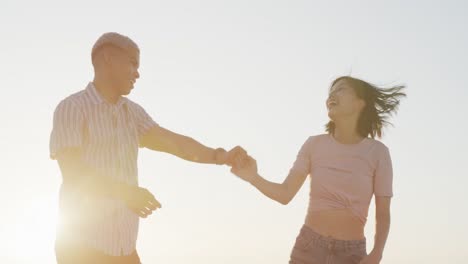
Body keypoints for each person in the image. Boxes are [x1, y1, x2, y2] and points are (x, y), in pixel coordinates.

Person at [49, 32, 247, 264]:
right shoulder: (72, 108)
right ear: (108, 58)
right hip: (81, 250)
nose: (137, 73)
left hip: (125, 252)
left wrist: (220, 156)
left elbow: (175, 143)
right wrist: (126, 193)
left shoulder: (133, 113)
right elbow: (74, 173)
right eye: (132, 63)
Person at [231, 76, 406, 264]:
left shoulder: (378, 153)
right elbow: (285, 194)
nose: (332, 94)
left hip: (352, 255)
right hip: (309, 249)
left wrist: (376, 253)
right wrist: (253, 177)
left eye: (341, 89)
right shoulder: (314, 144)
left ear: (359, 103)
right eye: (331, 91)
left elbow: (383, 213)